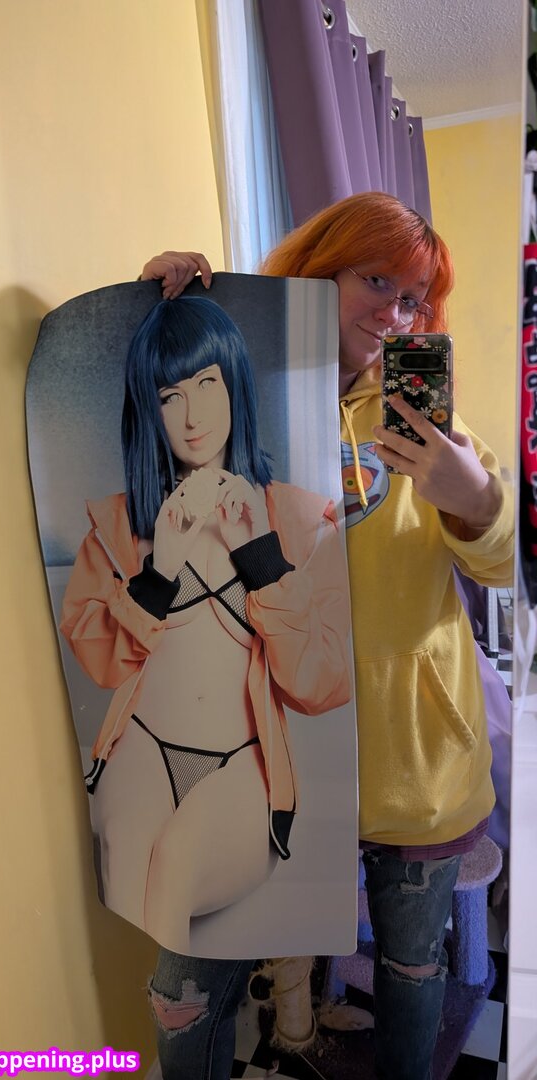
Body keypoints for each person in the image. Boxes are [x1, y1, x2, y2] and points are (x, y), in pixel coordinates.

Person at [139, 193, 514, 1079]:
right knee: (189, 979)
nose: (396, 314)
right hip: (267, 751)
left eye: (415, 298)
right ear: (315, 272)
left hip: (413, 757)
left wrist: (476, 500)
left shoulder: (427, 418)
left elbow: (505, 564)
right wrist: (162, 316)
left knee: (413, 970)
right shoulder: (239, 390)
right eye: (376, 281)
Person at [60, 295, 351, 955]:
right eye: (170, 396)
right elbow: (100, 664)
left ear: (235, 383)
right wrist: (159, 569)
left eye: (206, 384)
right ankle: (150, 1022)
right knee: (127, 858)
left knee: (177, 863)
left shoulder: (302, 520)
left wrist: (262, 559)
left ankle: (174, 1020)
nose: (191, 416)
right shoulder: (117, 525)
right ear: (149, 409)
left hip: (239, 768)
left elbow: (322, 685)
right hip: (140, 749)